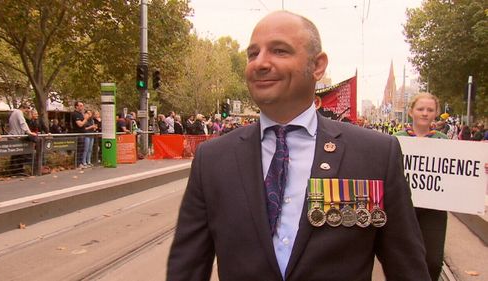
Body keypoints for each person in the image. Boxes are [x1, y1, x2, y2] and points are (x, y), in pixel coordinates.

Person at [167, 11, 429, 281]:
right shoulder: (212, 160)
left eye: (279, 51)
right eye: (253, 54)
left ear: (318, 66)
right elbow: (185, 269)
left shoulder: (375, 155)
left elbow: (407, 268)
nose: (260, 63)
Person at [393, 92, 448, 281]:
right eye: (421, 109)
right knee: (401, 258)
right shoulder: (396, 139)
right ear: (411, 112)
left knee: (433, 260)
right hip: (403, 209)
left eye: (430, 110)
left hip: (434, 210)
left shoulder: (445, 141)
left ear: (436, 114)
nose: (425, 113)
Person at [8, 104, 37, 175]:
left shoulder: (14, 113)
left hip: (14, 135)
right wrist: (29, 132)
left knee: (16, 155)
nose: (26, 112)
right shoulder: (18, 112)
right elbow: (23, 123)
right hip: (16, 136)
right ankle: (17, 171)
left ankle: (15, 170)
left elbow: (26, 120)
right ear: (23, 108)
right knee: (18, 154)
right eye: (26, 110)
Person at [70, 101, 91, 168]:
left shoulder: (80, 114)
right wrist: (85, 118)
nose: (82, 107)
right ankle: (77, 163)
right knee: (79, 149)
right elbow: (80, 124)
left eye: (82, 105)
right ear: (76, 106)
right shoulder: (75, 114)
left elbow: (84, 124)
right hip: (78, 134)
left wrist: (86, 119)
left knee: (82, 149)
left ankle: (81, 162)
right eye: (80, 105)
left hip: (83, 133)